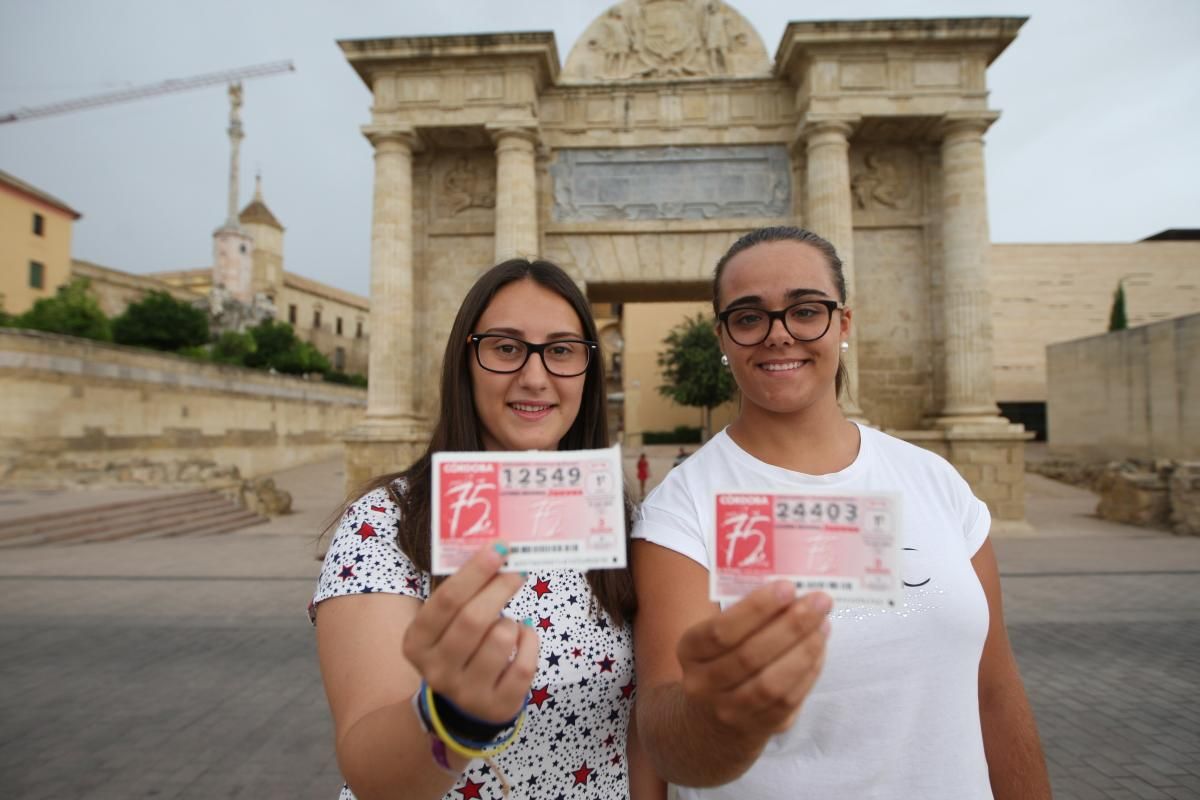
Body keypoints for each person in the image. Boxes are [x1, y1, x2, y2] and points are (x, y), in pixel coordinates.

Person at [630, 226, 1051, 798]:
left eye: (805, 311)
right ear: (723, 337)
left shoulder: (937, 483)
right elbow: (665, 738)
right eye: (749, 317)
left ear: (843, 323)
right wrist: (720, 714)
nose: (779, 335)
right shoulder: (678, 513)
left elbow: (995, 690)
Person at [312, 259, 666, 800]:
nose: (535, 376)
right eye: (505, 347)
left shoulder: (619, 523)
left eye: (562, 350)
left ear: (589, 370)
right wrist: (451, 717)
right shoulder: (387, 523)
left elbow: (640, 736)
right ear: (465, 361)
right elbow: (371, 772)